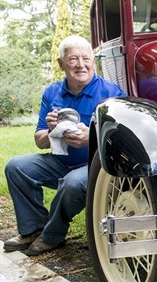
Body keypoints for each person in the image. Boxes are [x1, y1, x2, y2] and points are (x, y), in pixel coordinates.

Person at [4, 35, 125, 256]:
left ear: (93, 62)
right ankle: (33, 228)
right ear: (61, 63)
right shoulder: (52, 93)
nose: (81, 65)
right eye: (73, 59)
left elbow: (123, 142)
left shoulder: (111, 93)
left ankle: (52, 236)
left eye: (86, 59)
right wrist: (51, 130)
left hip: (95, 167)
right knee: (16, 167)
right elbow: (39, 140)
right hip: (59, 161)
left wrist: (91, 138)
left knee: (72, 183)